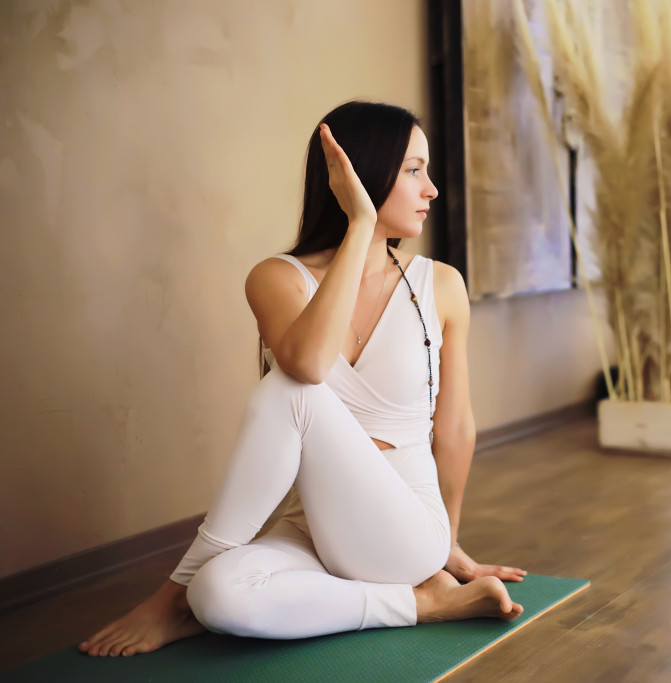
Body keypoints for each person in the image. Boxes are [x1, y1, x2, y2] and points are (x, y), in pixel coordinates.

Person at [80, 101, 527, 657]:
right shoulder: (276, 279)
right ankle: (421, 605)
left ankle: (172, 595)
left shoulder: (440, 285)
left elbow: (455, 428)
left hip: (405, 528)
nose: (431, 189)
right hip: (311, 525)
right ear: (358, 178)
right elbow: (311, 361)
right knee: (218, 595)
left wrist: (445, 545)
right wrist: (361, 225)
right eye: (414, 170)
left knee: (288, 388)